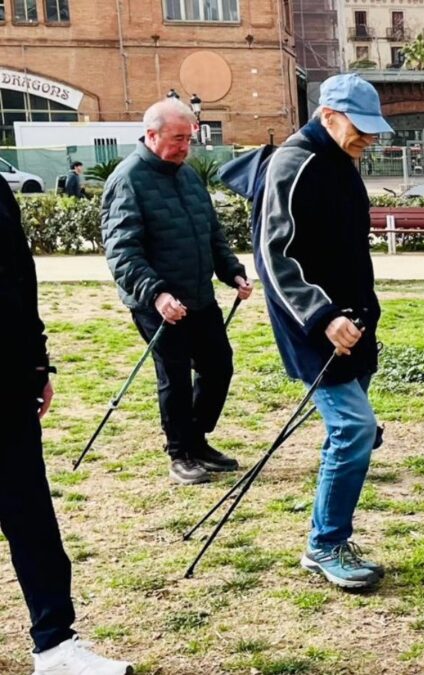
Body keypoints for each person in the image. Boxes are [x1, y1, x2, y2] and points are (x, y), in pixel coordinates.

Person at [256, 73, 390, 590]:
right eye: (361, 128)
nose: (369, 139)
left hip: (353, 320)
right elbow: (274, 254)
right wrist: (322, 316)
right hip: (315, 325)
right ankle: (325, 543)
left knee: (354, 431)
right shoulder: (294, 161)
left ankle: (327, 533)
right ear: (328, 115)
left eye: (374, 130)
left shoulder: (340, 159)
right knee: (354, 429)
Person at [1, 180, 133, 674]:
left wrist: (37, 365)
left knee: (31, 518)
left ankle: (56, 646)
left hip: (7, 384)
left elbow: (19, 276)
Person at [101, 98, 253, 486]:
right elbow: (122, 252)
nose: (186, 147)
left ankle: (196, 439)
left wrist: (232, 271)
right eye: (178, 138)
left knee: (219, 366)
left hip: (199, 295)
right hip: (159, 302)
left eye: (190, 138)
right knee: (175, 378)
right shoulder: (128, 179)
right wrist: (157, 294)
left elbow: (210, 231)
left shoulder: (187, 176)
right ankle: (180, 453)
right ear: (151, 135)